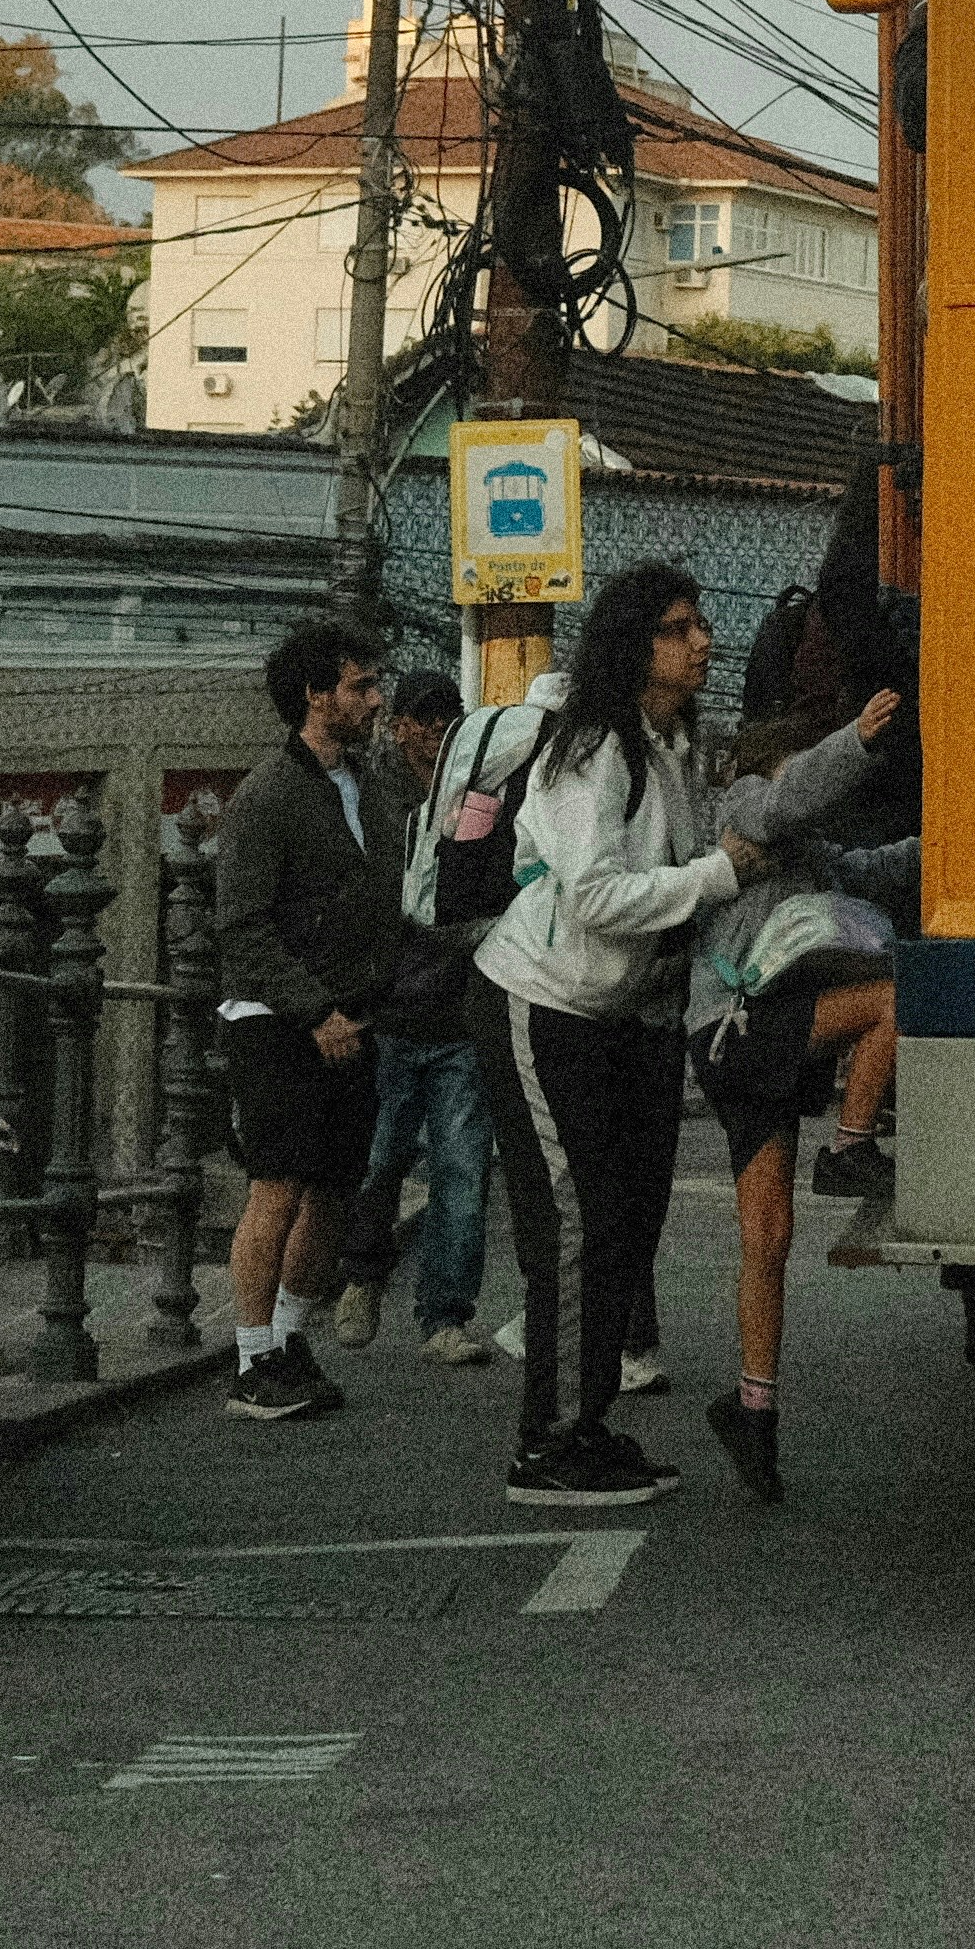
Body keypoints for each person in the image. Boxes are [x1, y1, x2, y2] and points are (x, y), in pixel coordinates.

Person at [470, 564, 735, 1509]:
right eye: (677, 627)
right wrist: (716, 877)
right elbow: (591, 897)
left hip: (618, 1019)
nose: (700, 641)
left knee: (626, 1224)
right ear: (634, 646)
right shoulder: (592, 751)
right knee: (576, 1226)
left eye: (700, 624)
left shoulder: (670, 745)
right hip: (540, 1003)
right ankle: (544, 1448)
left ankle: (585, 1425)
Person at [683, 687, 907, 1505]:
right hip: (738, 1028)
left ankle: (754, 1408)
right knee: (894, 996)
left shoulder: (805, 847)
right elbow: (789, 796)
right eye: (804, 765)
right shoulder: (746, 803)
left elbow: (872, 868)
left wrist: (958, 834)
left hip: (758, 1046)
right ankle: (850, 1147)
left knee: (766, 1237)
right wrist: (853, 738)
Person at [216, 617, 405, 1424]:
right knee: (278, 1187)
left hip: (354, 1017)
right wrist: (312, 1010)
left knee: (334, 1187)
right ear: (314, 694)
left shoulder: (371, 785)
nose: (373, 698)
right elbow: (240, 927)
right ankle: (251, 1354)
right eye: (360, 685)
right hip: (275, 1020)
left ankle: (292, 1338)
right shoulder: (267, 795)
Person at [330, 669, 496, 1364]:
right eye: (423, 720)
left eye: (445, 719)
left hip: (457, 1012)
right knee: (380, 1160)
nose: (434, 732)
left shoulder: (478, 793)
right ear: (399, 727)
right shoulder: (376, 800)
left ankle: (444, 1318)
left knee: (462, 1173)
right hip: (389, 1010)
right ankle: (362, 1276)